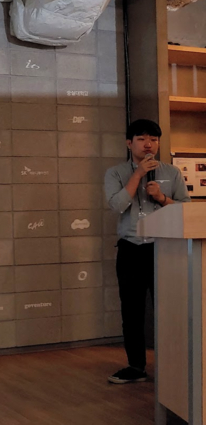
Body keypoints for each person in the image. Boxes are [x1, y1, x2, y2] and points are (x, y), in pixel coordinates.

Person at [104, 119, 190, 384]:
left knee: (169, 309)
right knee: (132, 311)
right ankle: (136, 366)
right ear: (129, 143)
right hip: (131, 249)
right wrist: (138, 175)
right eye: (141, 139)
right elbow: (117, 206)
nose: (148, 144)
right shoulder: (116, 173)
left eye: (153, 139)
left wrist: (162, 198)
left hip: (164, 249)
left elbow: (185, 209)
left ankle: (173, 365)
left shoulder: (172, 173)